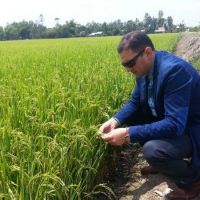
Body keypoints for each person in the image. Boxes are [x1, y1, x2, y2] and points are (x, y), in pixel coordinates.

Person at [99, 31, 200, 200]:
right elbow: (135, 101)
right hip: (178, 123)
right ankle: (162, 165)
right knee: (132, 116)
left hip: (193, 128)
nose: (129, 70)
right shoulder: (145, 70)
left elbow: (175, 124)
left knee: (153, 150)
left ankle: (194, 179)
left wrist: (128, 133)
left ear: (147, 52)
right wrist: (115, 120)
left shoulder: (174, 71)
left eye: (130, 63)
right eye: (125, 65)